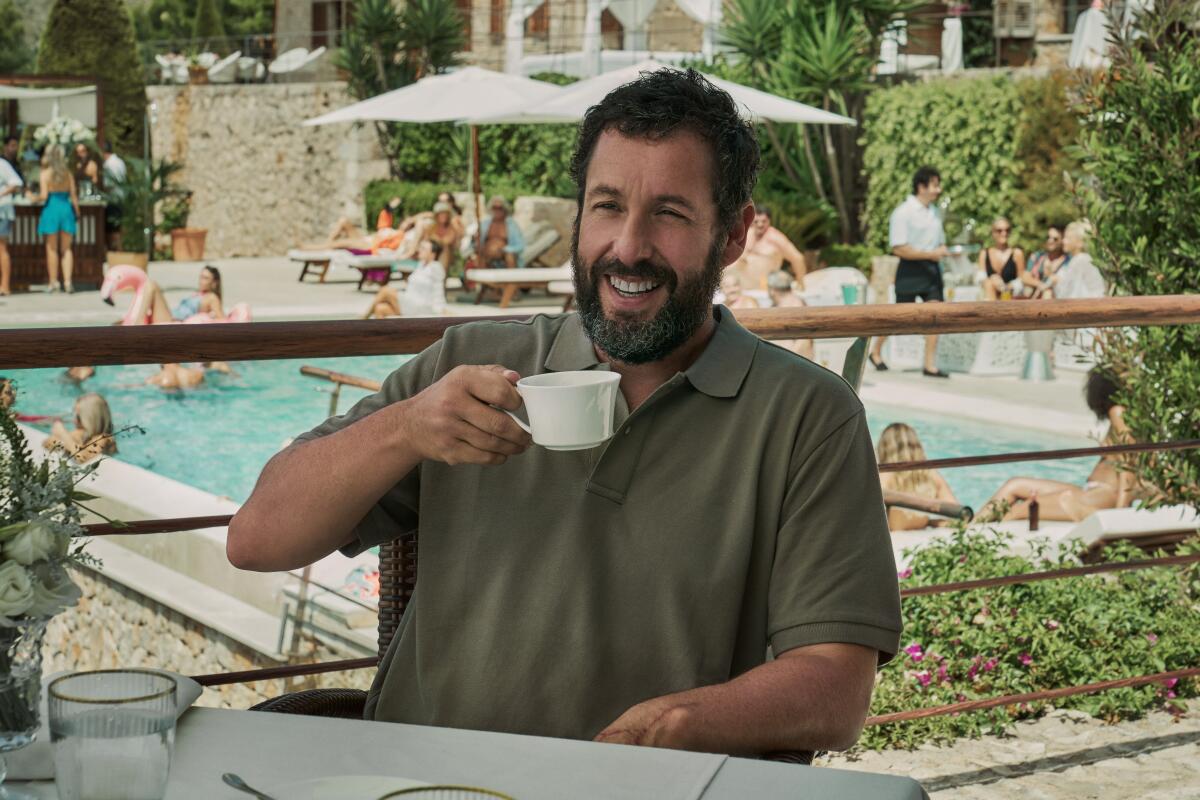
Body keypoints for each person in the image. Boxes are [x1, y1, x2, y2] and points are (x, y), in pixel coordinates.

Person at [228, 68, 900, 755]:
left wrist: (676, 727)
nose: (628, 247)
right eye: (607, 206)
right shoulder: (472, 365)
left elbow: (836, 691)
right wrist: (404, 429)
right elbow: (256, 540)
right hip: (418, 780)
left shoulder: (805, 417)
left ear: (732, 236)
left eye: (668, 214)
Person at [981, 368, 1137, 522]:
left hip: (1103, 494)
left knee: (1023, 509)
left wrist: (1121, 511)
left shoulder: (1118, 412)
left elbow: (1129, 461)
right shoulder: (1119, 415)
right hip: (1092, 491)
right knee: (1015, 485)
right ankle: (969, 528)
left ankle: (973, 536)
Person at [868, 166, 950, 378]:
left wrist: (942, 252)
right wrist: (929, 254)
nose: (938, 189)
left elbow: (939, 242)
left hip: (932, 270)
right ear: (921, 186)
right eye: (934, 185)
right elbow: (898, 248)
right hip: (910, 270)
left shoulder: (935, 212)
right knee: (899, 317)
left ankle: (929, 365)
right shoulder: (902, 212)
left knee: (936, 315)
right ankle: (875, 352)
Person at [875, 423, 960, 531]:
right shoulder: (930, 474)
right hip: (919, 533)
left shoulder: (884, 475)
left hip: (893, 538)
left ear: (884, 448)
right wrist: (930, 522)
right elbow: (957, 512)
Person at [728, 204, 807, 291]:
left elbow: (798, 258)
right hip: (742, 289)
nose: (760, 224)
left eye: (764, 221)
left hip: (765, 291)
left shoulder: (776, 238)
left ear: (769, 220)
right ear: (751, 221)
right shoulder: (747, 234)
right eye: (756, 221)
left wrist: (800, 283)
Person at [364, 240, 447, 319]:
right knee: (380, 308)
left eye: (424, 249)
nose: (420, 250)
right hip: (409, 302)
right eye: (420, 247)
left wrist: (441, 310)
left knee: (385, 290)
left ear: (433, 254)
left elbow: (438, 290)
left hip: (421, 306)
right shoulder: (421, 265)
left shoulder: (436, 267)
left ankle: (363, 319)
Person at [37, 145, 79, 294]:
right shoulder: (68, 173)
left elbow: (43, 196)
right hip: (66, 209)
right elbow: (73, 196)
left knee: (52, 249)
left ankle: (53, 282)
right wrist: (77, 213)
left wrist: (31, 196)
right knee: (67, 249)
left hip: (51, 209)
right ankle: (68, 282)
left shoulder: (45, 174)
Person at [127, 265, 227, 324]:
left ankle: (138, 324)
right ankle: (136, 322)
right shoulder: (197, 294)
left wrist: (210, 317)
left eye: (205, 278)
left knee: (152, 285)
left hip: (171, 323)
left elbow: (223, 320)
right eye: (201, 277)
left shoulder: (211, 297)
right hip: (170, 318)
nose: (201, 281)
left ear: (214, 282)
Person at [43, 393, 117, 464]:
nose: (75, 420)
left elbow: (81, 458)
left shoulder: (105, 439)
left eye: (78, 417)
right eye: (74, 415)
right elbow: (47, 444)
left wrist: (63, 434)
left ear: (91, 419)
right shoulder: (83, 433)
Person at [1048, 221, 1105, 299]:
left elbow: (1068, 293)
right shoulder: (1081, 259)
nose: (1064, 241)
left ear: (1080, 242)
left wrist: (1055, 280)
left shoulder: (1080, 260)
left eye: (1068, 238)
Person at [766, 270, 814, 361]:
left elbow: (804, 340)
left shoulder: (795, 306)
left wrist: (786, 360)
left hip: (793, 363)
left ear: (772, 290)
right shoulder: (781, 305)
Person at [978, 217, 1027, 301]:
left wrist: (1005, 287)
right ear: (993, 233)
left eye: (1007, 230)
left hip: (1011, 298)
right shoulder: (984, 253)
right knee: (989, 283)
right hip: (990, 296)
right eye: (999, 230)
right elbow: (980, 279)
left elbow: (1022, 280)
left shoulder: (1017, 253)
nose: (1004, 233)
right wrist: (993, 281)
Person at [0, 142, 22, 297]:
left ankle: (5, 286)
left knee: (1, 249)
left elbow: (16, 183)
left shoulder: (2, 164)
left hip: (2, 210)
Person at [478, 196, 525, 268]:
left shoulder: (512, 225)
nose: (497, 210)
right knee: (479, 256)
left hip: (505, 255)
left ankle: (511, 278)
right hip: (486, 253)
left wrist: (504, 250)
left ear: (505, 209)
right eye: (494, 208)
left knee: (510, 257)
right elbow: (476, 244)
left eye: (500, 208)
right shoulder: (484, 224)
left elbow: (520, 245)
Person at [1024, 224, 1068, 298]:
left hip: (1057, 299)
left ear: (1062, 241)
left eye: (1055, 239)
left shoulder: (1067, 261)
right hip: (1035, 294)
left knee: (1048, 292)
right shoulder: (1037, 256)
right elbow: (1025, 277)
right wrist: (1040, 284)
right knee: (1028, 289)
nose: (1050, 241)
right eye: (1048, 237)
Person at [98, 140, 126, 251]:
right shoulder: (119, 162)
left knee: (113, 230)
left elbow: (111, 185)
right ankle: (116, 254)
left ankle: (116, 255)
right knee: (115, 229)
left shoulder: (110, 165)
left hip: (113, 200)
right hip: (118, 199)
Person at [422, 202, 461, 270]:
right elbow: (426, 239)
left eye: (445, 214)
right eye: (441, 214)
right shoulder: (432, 227)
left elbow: (447, 241)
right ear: (437, 215)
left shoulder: (451, 227)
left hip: (448, 255)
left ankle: (441, 274)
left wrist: (435, 238)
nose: (443, 216)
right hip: (433, 253)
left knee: (445, 249)